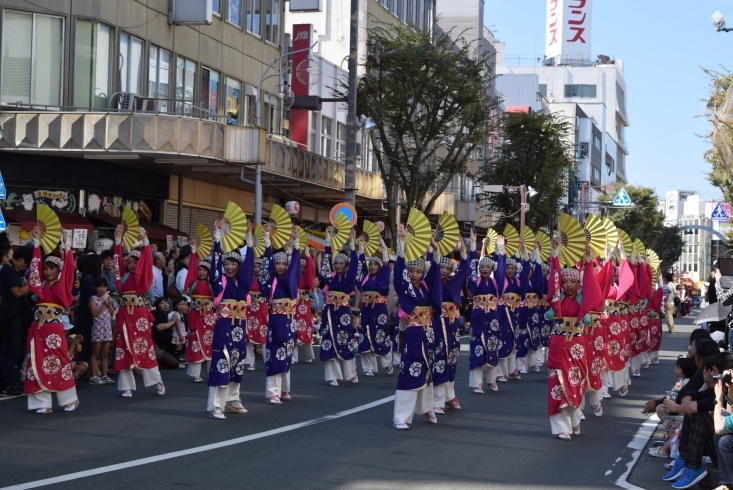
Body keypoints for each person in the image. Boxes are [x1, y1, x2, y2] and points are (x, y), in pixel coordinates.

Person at [23, 227, 80, 413]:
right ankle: (43, 403)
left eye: (52, 268)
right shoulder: (42, 285)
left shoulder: (62, 284)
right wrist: (37, 243)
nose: (47, 272)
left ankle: (69, 399)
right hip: (38, 326)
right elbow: (35, 268)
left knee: (59, 361)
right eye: (46, 268)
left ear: (59, 270)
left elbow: (69, 268)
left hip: (53, 327)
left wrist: (67, 245)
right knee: (36, 361)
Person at [392, 228, 442, 430]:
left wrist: (434, 250)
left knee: (428, 370)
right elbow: (398, 273)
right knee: (411, 369)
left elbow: (435, 276)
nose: (414, 274)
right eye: (411, 271)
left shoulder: (426, 287)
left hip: (428, 331)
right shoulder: (404, 285)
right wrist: (401, 246)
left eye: (418, 271)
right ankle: (400, 417)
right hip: (413, 332)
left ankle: (427, 407)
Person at [545, 236, 591, 440]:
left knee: (575, 383)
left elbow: (589, 316)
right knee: (556, 385)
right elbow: (554, 277)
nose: (569, 284)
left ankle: (574, 421)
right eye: (566, 281)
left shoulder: (583, 301)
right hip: (558, 344)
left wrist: (588, 258)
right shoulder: (557, 300)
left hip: (577, 346)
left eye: (574, 281)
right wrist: (555, 253)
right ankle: (561, 427)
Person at [206, 221, 253, 419]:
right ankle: (216, 405)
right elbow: (215, 265)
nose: (230, 267)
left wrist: (250, 242)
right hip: (224, 325)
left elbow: (250, 266)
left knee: (238, 361)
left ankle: (234, 398)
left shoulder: (243, 285)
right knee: (221, 361)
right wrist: (217, 237)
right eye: (227, 264)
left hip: (239, 327)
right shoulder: (219, 282)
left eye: (234, 264)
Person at [112, 225, 165, 398]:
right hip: (124, 314)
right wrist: (118, 239)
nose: (131, 265)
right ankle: (126, 386)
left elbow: (147, 261)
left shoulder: (143, 276)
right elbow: (117, 263)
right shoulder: (124, 277)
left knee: (145, 347)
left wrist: (145, 242)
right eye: (129, 262)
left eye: (135, 262)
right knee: (123, 348)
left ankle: (157, 381)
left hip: (139, 313)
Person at [663, 347, 727, 488]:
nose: (711, 374)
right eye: (709, 370)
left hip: (726, 451)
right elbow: (688, 396)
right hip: (721, 448)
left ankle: (693, 466)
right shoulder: (715, 390)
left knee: (699, 414)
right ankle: (685, 459)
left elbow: (694, 406)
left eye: (714, 371)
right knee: (693, 411)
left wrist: (676, 407)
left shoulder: (726, 392)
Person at [432, 231, 475, 413]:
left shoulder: (454, 282)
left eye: (446, 268)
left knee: (452, 356)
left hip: (451, 324)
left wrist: (465, 251)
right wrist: (433, 247)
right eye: (440, 267)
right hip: (435, 323)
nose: (443, 270)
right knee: (438, 357)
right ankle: (437, 400)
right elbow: (431, 264)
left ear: (450, 270)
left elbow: (466, 269)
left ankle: (450, 395)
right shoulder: (432, 282)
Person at [261, 225, 300, 404]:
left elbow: (295, 268)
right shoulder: (271, 280)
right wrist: (267, 240)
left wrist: (296, 242)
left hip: (290, 319)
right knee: (275, 354)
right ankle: (272, 393)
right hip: (277, 319)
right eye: (278, 263)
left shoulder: (289, 280)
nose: (281, 266)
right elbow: (267, 264)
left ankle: (284, 390)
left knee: (287, 353)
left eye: (284, 263)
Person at [319, 228, 359, 386]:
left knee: (346, 339)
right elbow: (326, 263)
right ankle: (332, 376)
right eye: (336, 263)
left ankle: (351, 373)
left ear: (346, 264)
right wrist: (328, 241)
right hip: (329, 312)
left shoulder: (349, 279)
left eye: (341, 263)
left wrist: (352, 245)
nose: (337, 266)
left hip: (343, 312)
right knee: (328, 340)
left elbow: (355, 266)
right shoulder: (330, 278)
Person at [468, 236, 505, 393]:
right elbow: (471, 269)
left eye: (488, 267)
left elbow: (501, 271)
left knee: (493, 347)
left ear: (492, 270)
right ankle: (477, 383)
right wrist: (472, 247)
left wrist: (500, 248)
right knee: (477, 348)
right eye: (482, 267)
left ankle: (492, 380)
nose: (484, 269)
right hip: (478, 318)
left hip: (492, 319)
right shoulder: (475, 281)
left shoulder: (496, 282)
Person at [357, 236, 393, 377]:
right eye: (371, 264)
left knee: (381, 335)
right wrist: (360, 246)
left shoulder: (383, 275)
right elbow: (360, 263)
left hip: (379, 309)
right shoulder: (365, 276)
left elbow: (386, 262)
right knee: (365, 335)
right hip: (366, 309)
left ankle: (387, 363)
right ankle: (368, 368)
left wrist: (383, 244)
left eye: (375, 264)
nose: (372, 266)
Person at [0, 244, 31, 396]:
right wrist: (32, 285)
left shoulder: (10, 270)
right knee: (13, 350)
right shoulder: (9, 270)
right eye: (25, 264)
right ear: (21, 260)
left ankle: (5, 383)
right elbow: (17, 293)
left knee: (12, 350)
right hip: (12, 316)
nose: (24, 267)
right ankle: (5, 384)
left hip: (13, 315)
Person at [183, 242, 214, 383]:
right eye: (199, 270)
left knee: (209, 342)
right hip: (195, 315)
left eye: (204, 270)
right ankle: (195, 374)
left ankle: (211, 371)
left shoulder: (212, 284)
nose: (201, 272)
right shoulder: (194, 283)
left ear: (209, 272)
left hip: (208, 316)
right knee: (194, 342)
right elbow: (191, 272)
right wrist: (194, 252)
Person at [244, 254, 269, 371]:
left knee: (263, 333)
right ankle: (250, 362)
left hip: (261, 307)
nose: (256, 269)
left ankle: (267, 360)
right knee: (248, 334)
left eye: (259, 267)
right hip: (249, 307)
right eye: (254, 267)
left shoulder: (265, 278)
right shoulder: (247, 278)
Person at [88, 278, 115, 385]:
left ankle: (105, 375)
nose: (102, 289)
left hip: (107, 327)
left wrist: (108, 304)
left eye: (104, 287)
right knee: (95, 353)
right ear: (95, 287)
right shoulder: (93, 299)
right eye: (99, 286)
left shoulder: (108, 298)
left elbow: (112, 313)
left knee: (105, 354)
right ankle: (93, 376)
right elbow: (94, 313)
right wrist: (104, 304)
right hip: (97, 327)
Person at [293, 246, 315, 364]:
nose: (301, 268)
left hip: (304, 305)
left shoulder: (307, 278)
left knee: (306, 328)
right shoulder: (294, 277)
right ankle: (294, 357)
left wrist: (308, 256)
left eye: (303, 266)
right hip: (295, 304)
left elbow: (311, 271)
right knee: (294, 328)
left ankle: (309, 356)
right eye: (299, 266)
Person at [150, 297, 180, 369]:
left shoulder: (167, 314)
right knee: (175, 364)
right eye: (162, 303)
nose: (165, 305)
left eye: (166, 303)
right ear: (157, 305)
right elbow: (159, 327)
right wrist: (172, 322)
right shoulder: (158, 314)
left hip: (163, 344)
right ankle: (156, 362)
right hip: (154, 345)